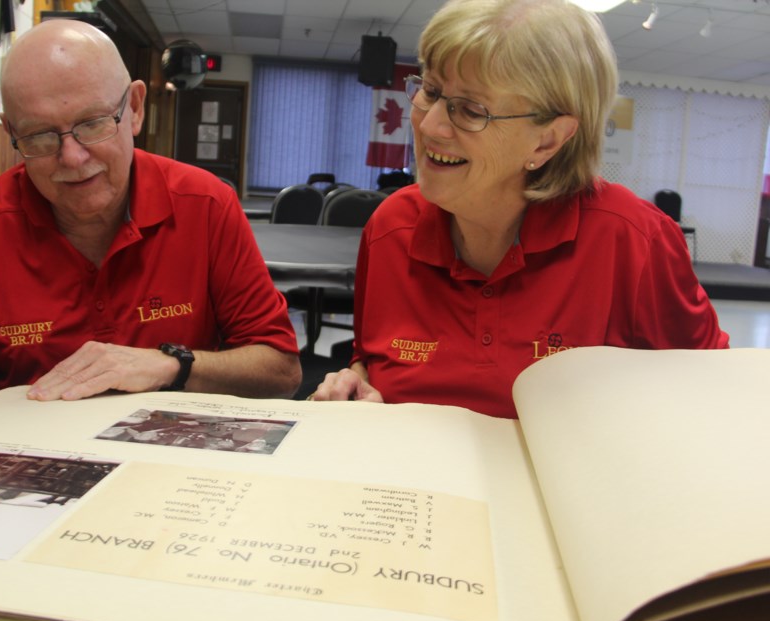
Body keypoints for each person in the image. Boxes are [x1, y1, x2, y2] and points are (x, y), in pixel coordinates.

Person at [311, 0, 728, 418]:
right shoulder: (391, 228)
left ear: (547, 141)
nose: (429, 124)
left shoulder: (633, 240)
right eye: (432, 92)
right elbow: (372, 360)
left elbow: (713, 397)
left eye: (471, 110)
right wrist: (355, 384)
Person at [0, 19, 301, 417]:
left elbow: (280, 370)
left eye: (92, 123)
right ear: (11, 131)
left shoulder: (206, 204)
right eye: (40, 136)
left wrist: (171, 365)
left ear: (134, 109)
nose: (72, 157)